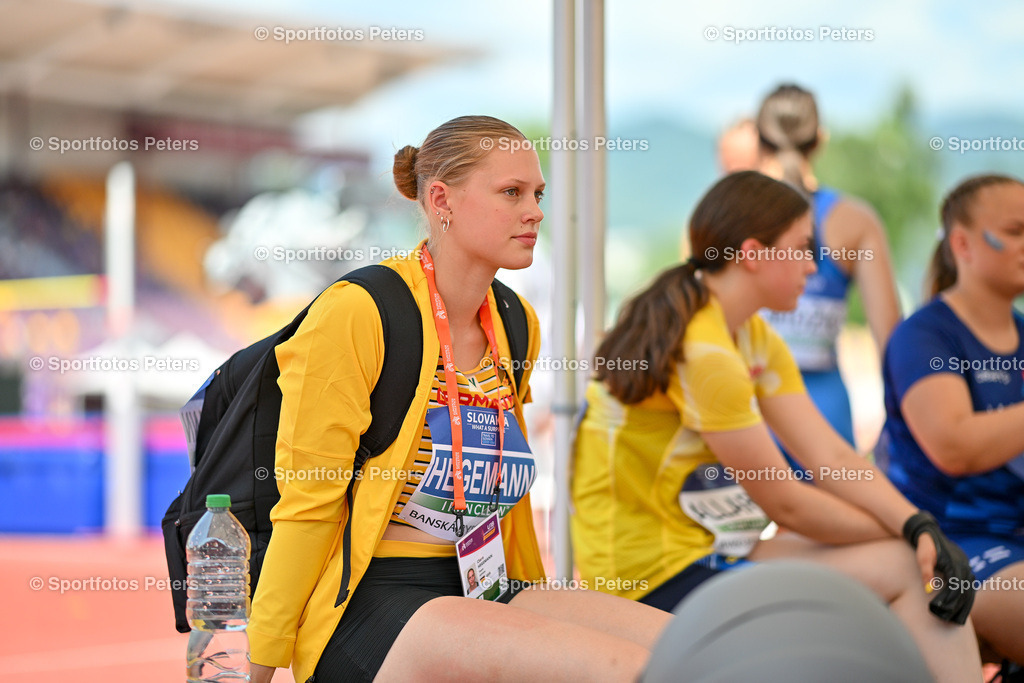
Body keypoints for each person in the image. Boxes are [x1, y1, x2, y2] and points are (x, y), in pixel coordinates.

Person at [247, 115, 670, 683]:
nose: (536, 211)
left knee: (686, 650)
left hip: (484, 580)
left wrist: (536, 602)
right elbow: (307, 504)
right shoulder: (359, 311)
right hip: (372, 600)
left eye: (538, 194)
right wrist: (261, 663)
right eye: (512, 192)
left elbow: (505, 494)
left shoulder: (517, 322)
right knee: (625, 670)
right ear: (442, 199)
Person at [571, 170, 982, 683]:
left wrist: (918, 525)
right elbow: (785, 501)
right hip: (652, 577)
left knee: (908, 561)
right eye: (803, 249)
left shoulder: (751, 333)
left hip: (710, 546)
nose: (814, 267)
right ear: (752, 253)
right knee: (907, 566)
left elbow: (831, 457)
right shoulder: (708, 353)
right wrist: (915, 532)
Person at [876, 174, 1024, 669]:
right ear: (962, 243)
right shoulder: (925, 337)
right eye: (1016, 229)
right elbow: (954, 446)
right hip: (954, 543)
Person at [755, 83, 901, 451]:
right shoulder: (856, 220)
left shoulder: (729, 215)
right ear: (820, 140)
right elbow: (891, 341)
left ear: (759, 139)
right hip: (826, 422)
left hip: (744, 420)